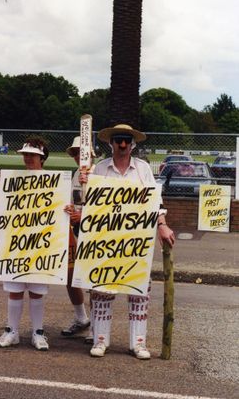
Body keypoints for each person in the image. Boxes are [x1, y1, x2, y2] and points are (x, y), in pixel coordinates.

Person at [79, 124, 175, 359]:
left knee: (139, 290)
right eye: (118, 140)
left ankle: (138, 343)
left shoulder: (142, 169)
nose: (122, 145)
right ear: (111, 143)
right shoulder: (99, 168)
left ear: (132, 144)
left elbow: (155, 201)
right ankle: (100, 340)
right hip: (106, 241)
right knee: (102, 289)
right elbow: (89, 205)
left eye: (126, 141)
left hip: (136, 242)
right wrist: (84, 183)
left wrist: (162, 225)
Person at [0, 137, 50, 351]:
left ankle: (38, 332)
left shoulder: (55, 184)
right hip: (16, 243)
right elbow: (4, 214)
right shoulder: (13, 182)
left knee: (37, 290)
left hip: (41, 245)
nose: (27, 158)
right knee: (14, 288)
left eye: (32, 155)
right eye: (25, 154)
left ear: (42, 157)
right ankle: (12, 331)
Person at [62, 136, 92, 338]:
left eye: (81, 153)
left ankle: (97, 326)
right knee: (70, 276)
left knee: (92, 281)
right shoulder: (75, 175)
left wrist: (84, 215)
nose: (77, 157)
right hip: (76, 232)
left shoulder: (100, 173)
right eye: (75, 153)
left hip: (95, 233)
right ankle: (82, 318)